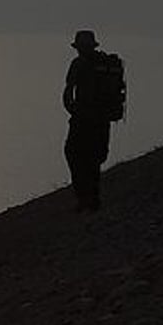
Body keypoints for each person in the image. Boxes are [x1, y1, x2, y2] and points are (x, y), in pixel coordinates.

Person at [63, 30, 126, 212]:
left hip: (83, 118)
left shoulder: (78, 64)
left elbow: (68, 92)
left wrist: (72, 110)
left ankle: (84, 198)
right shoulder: (107, 63)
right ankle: (93, 197)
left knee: (74, 154)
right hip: (102, 118)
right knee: (95, 158)